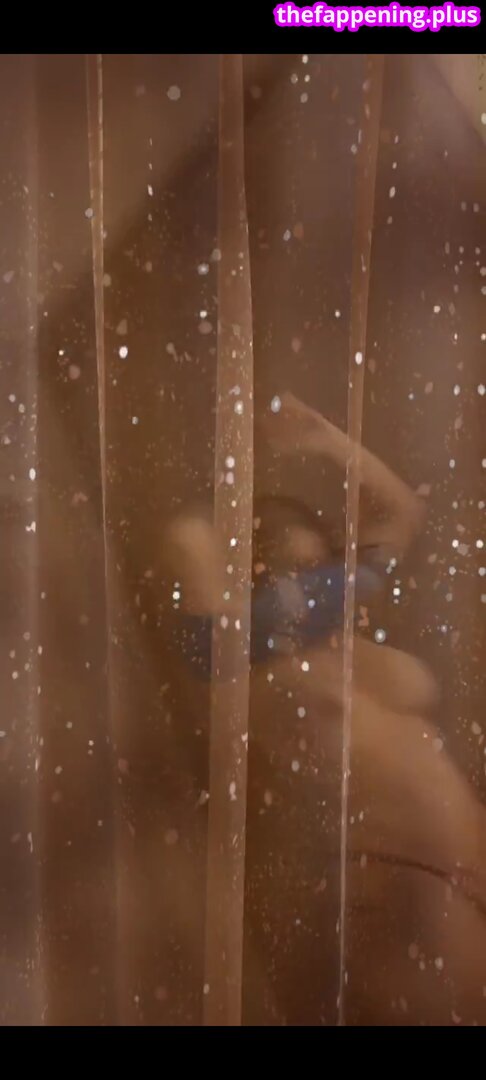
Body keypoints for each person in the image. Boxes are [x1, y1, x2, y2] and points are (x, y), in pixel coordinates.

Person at [164, 392, 486, 1025]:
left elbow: (400, 513)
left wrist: (325, 440)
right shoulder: (244, 667)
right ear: (248, 579)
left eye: (317, 564)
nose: (312, 585)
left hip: (463, 863)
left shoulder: (343, 640)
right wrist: (224, 458)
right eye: (287, 568)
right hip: (407, 891)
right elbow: (189, 550)